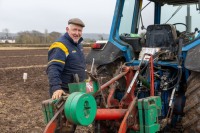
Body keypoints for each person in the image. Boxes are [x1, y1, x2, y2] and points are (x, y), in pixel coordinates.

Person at [47, 18, 86, 100]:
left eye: (80, 30)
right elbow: (53, 68)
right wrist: (56, 88)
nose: (77, 33)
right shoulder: (60, 45)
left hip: (76, 91)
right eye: (74, 30)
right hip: (64, 92)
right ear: (67, 29)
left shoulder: (78, 45)